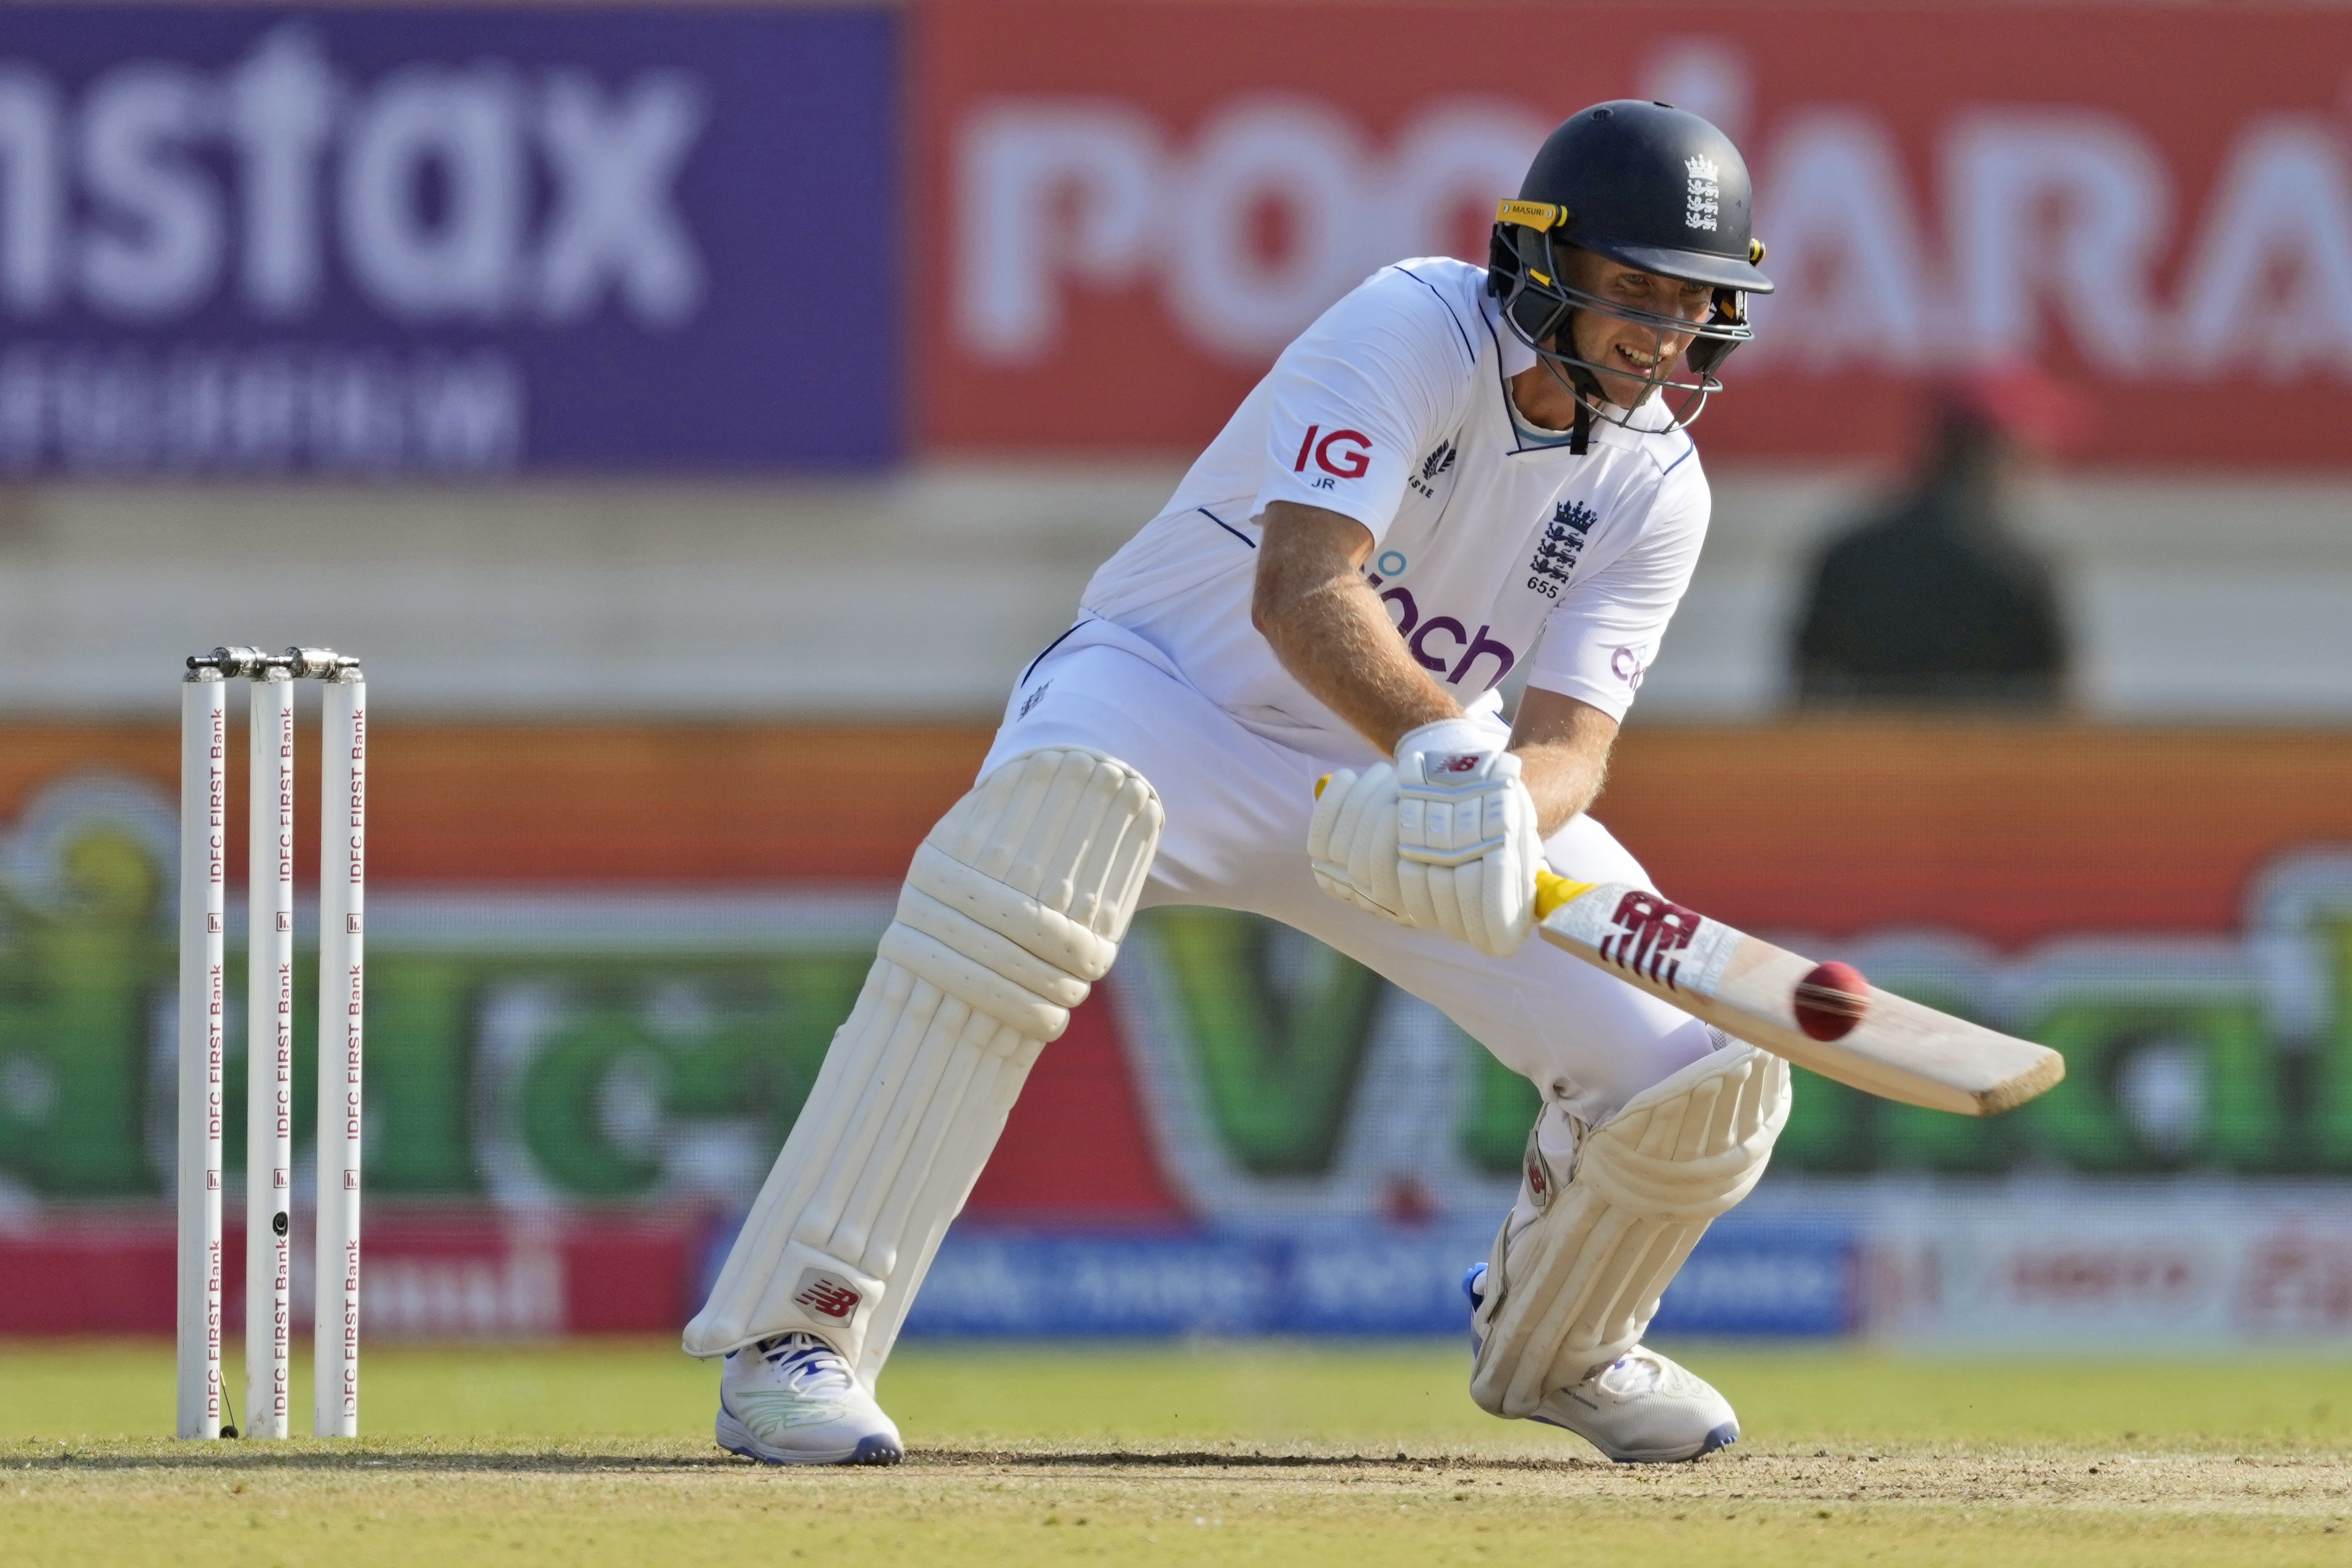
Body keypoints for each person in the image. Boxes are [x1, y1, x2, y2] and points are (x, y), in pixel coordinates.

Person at [684, 101, 1790, 1467]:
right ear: (1537, 260)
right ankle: (799, 1338)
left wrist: (1504, 809)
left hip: (1401, 784)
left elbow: (1571, 741)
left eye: (1695, 303)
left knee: (1700, 1067)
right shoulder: (1407, 326)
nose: (1662, 333)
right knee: (1022, 881)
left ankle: (1562, 1343)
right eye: (1633, 289)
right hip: (1166, 700)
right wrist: (1449, 752)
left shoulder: (1659, 485)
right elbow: (1300, 587)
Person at [1792, 370, 2074, 708]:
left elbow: (1803, 693)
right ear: (1990, 451)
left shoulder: (1849, 555)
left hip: (1869, 757)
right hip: (1986, 759)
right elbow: (2064, 709)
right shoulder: (2018, 571)